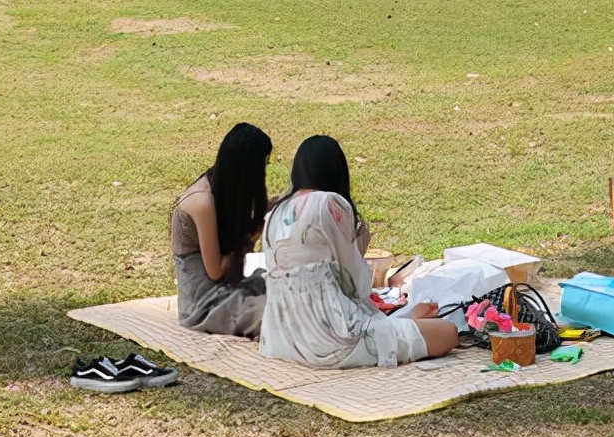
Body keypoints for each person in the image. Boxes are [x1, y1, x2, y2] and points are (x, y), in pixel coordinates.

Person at [260, 136, 458, 369]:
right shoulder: (330, 203)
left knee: (409, 325)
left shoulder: (274, 213)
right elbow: (356, 285)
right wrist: (359, 245)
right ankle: (404, 322)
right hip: (329, 341)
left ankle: (405, 320)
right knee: (448, 332)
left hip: (280, 340)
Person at [171, 122, 272, 338]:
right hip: (204, 305)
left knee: (286, 287)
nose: (264, 172)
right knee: (281, 312)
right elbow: (215, 271)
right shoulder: (202, 202)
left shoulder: (221, 189)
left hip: (228, 292)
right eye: (263, 165)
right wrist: (250, 237)